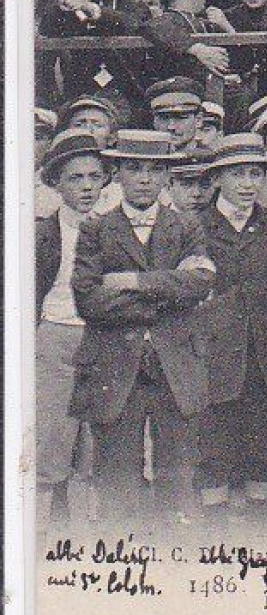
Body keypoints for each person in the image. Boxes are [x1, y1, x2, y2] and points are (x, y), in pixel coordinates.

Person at [70, 129, 216, 524]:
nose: (145, 179)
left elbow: (201, 283)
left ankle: (174, 567)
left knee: (178, 479)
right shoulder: (96, 228)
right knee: (116, 480)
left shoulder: (186, 226)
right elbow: (89, 301)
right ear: (116, 173)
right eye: (134, 169)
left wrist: (134, 283)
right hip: (115, 367)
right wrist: (169, 291)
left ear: (168, 176)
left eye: (155, 170)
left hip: (176, 366)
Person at [193, 134, 267, 518]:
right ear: (218, 178)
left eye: (255, 174)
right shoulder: (193, 226)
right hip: (212, 359)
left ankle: (262, 540)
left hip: (265, 359)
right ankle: (215, 542)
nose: (247, 184)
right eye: (237, 174)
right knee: (213, 454)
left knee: (264, 453)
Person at [34, 129, 110, 526]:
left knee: (97, 432)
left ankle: (89, 522)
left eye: (94, 178)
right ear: (56, 183)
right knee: (53, 430)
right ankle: (47, 523)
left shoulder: (113, 228)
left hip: (101, 337)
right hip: (56, 336)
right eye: (75, 178)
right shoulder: (41, 232)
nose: (86, 187)